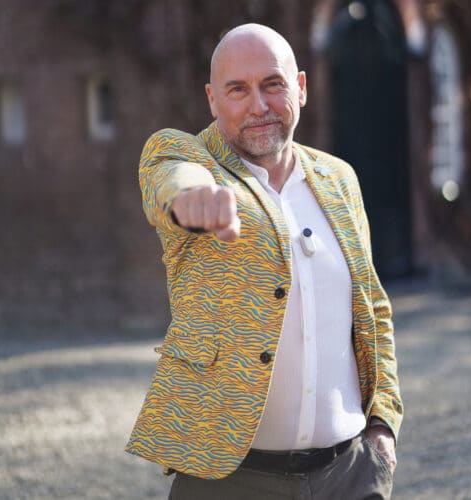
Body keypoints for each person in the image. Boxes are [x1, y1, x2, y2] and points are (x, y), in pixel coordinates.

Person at [126, 23, 403, 500]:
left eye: (273, 85)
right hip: (229, 480)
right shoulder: (188, 157)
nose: (258, 106)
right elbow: (171, 177)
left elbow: (372, 307)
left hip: (351, 474)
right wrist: (192, 198)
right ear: (213, 100)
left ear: (300, 87)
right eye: (238, 90)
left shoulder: (339, 178)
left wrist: (383, 423)